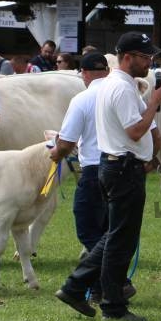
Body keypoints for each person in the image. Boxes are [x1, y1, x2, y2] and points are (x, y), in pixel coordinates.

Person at [54, 31, 161, 321]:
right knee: (119, 241)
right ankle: (111, 305)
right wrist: (155, 102)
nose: (149, 62)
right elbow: (136, 131)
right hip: (123, 167)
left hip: (116, 165)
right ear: (127, 57)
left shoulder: (115, 86)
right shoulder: (123, 89)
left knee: (114, 236)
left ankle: (75, 287)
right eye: (145, 57)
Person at [48, 52, 113, 301]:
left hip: (95, 169)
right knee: (111, 229)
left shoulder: (82, 99)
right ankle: (107, 286)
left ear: (84, 74)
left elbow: (66, 143)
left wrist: (55, 153)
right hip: (124, 169)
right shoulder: (125, 95)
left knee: (88, 230)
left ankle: (109, 283)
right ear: (106, 71)